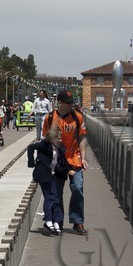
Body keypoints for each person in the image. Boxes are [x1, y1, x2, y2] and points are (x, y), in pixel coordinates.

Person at [44, 90, 88, 235]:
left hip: (74, 158)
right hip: (57, 160)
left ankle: (77, 221)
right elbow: (46, 140)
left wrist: (83, 158)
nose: (71, 105)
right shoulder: (50, 118)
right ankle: (58, 221)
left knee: (77, 188)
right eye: (67, 103)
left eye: (72, 103)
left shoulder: (78, 117)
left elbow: (82, 138)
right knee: (57, 192)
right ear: (60, 102)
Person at [27, 125, 67, 235]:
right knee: (49, 198)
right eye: (58, 138)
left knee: (56, 199)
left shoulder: (59, 147)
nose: (60, 140)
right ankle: (48, 220)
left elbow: (62, 160)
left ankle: (56, 221)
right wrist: (31, 162)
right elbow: (30, 147)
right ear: (51, 140)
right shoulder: (44, 145)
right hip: (44, 175)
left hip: (53, 175)